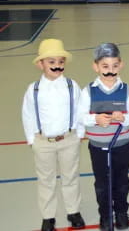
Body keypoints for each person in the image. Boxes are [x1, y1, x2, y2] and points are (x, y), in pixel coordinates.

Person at [77, 43, 129, 231]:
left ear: (120, 65)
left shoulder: (126, 90)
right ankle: (105, 215)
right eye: (105, 67)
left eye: (115, 66)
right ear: (96, 67)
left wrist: (124, 117)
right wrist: (95, 119)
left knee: (122, 180)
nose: (110, 71)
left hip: (121, 145)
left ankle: (121, 212)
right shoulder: (88, 91)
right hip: (98, 146)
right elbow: (80, 116)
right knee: (102, 182)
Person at [22, 39, 85, 231]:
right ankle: (48, 216)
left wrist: (79, 134)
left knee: (70, 176)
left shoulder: (71, 85)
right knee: (46, 180)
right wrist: (33, 140)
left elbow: (79, 110)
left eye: (60, 62)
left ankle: (73, 211)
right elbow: (28, 115)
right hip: (43, 142)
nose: (57, 66)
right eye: (51, 62)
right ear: (41, 64)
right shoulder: (34, 89)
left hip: (68, 139)